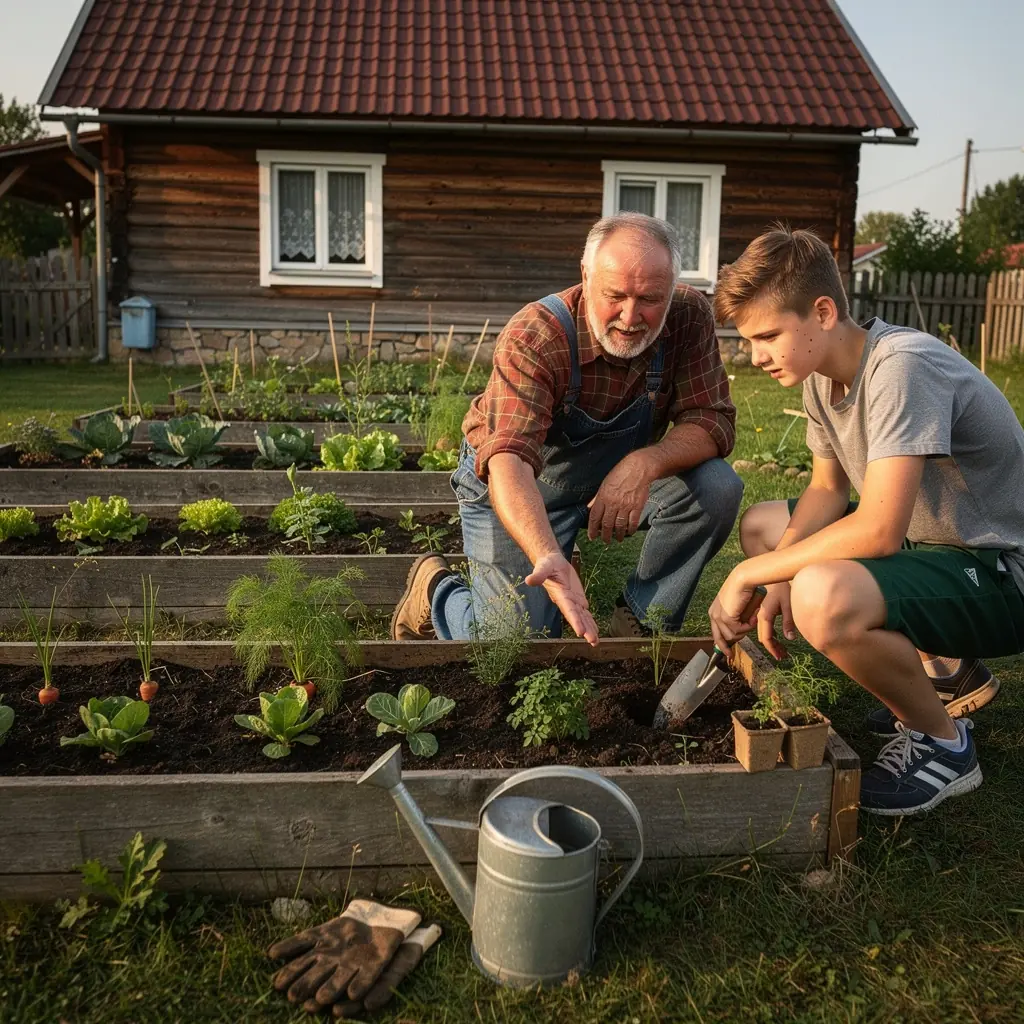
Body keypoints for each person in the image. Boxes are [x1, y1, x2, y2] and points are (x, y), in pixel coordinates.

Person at [709, 226, 1024, 816]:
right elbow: (827, 490)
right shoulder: (821, 376)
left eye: (768, 335)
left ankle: (946, 747)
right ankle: (946, 672)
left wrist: (753, 575)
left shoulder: (902, 368)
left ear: (823, 311)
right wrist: (773, 568)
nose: (756, 356)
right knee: (763, 527)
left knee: (822, 593)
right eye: (749, 339)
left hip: (1000, 565)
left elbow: (878, 530)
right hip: (933, 543)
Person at [391, 212, 742, 646]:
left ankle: (641, 620)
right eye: (615, 295)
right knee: (517, 641)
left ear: (671, 288)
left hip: (609, 483)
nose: (631, 317)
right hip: (516, 489)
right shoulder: (538, 335)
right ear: (585, 275)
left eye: (650, 299)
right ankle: (437, 591)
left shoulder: (688, 317)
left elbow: (713, 419)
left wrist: (643, 463)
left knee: (716, 486)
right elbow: (509, 462)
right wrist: (546, 556)